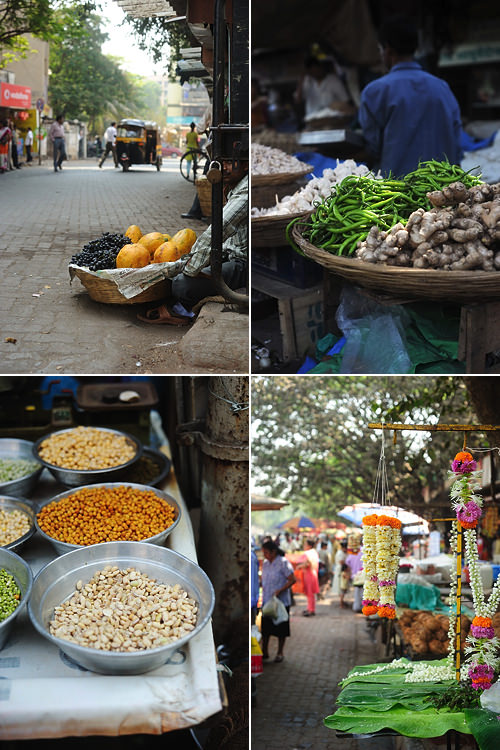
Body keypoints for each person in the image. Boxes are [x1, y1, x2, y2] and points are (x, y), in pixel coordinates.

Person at [138, 161, 247, 326]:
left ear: (246, 165)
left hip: (244, 265)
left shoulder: (246, 190)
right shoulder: (235, 185)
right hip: (228, 254)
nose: (223, 167)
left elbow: (219, 230)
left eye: (230, 163)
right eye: (221, 162)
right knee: (174, 273)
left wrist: (187, 267)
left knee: (182, 284)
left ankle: (181, 311)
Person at [358, 15, 462, 178]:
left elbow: (372, 147)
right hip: (445, 190)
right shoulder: (442, 87)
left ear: (388, 50)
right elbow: (457, 141)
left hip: (396, 193)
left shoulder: (375, 91)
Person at [260, 540, 295, 663]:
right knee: (266, 629)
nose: (264, 555)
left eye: (266, 552)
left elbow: (292, 579)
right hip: (267, 601)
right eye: (263, 552)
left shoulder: (283, 563)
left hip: (281, 602)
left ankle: (280, 652)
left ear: (273, 552)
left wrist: (281, 590)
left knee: (281, 628)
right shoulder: (265, 564)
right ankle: (265, 651)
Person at [295, 54, 354, 121]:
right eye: (312, 71)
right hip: (312, 121)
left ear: (320, 67)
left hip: (331, 121)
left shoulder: (333, 80)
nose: (315, 73)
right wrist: (301, 78)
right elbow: (298, 100)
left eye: (316, 70)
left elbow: (346, 101)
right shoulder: (307, 82)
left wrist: (336, 107)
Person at [296, 537, 320, 616]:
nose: (304, 545)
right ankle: (310, 608)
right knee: (311, 593)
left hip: (308, 574)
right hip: (313, 573)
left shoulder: (308, 553)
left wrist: (299, 566)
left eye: (305, 544)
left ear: (309, 545)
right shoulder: (314, 552)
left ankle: (311, 610)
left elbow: (307, 564)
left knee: (309, 593)